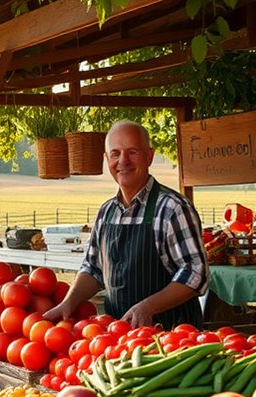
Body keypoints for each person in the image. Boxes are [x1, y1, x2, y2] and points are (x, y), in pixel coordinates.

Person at [44, 120, 208, 328]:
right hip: (118, 338)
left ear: (149, 156)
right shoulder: (106, 212)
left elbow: (196, 272)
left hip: (171, 340)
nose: (123, 161)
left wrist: (149, 306)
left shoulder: (172, 208)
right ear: (106, 159)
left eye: (132, 152)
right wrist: (70, 301)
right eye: (115, 153)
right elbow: (93, 269)